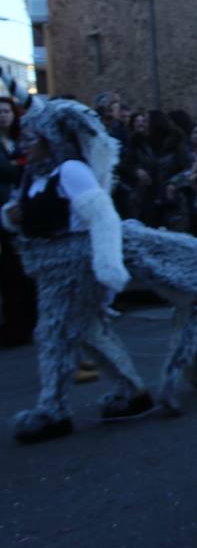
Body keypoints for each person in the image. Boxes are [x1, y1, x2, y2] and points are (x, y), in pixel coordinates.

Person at [4, 99, 155, 443]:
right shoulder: (34, 174)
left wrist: (108, 266)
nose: (26, 142)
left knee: (53, 332)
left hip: (75, 262)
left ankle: (53, 408)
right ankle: (133, 392)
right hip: (50, 265)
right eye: (25, 136)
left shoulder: (71, 171)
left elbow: (102, 215)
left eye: (33, 136)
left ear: (51, 139)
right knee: (88, 330)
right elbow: (25, 213)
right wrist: (12, 216)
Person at [0, 96, 37, 347]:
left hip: (23, 211)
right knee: (10, 272)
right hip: (3, 210)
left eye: (6, 111)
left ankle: (30, 323)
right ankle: (15, 327)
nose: (3, 115)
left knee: (26, 271)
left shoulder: (19, 142)